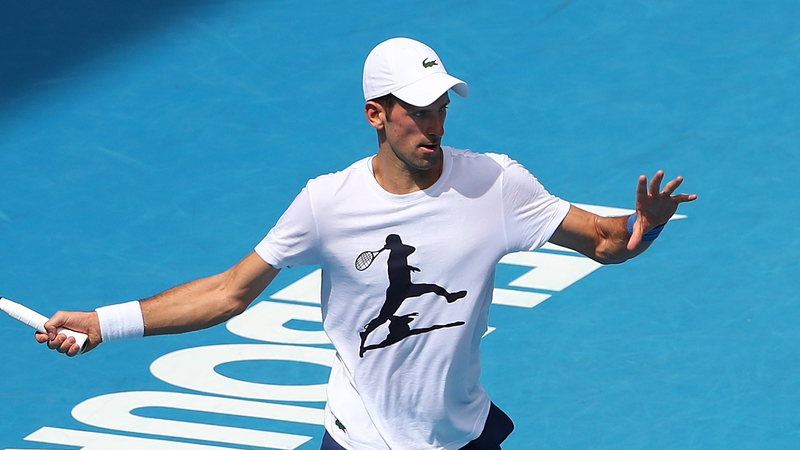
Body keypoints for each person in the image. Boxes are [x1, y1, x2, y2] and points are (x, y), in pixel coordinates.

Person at [36, 37, 697, 449]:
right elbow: (229, 292)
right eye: (416, 109)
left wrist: (650, 223)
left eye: (441, 106)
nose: (433, 124)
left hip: (460, 436)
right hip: (363, 441)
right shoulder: (327, 203)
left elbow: (609, 243)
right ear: (375, 114)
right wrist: (103, 323)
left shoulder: (496, 182)